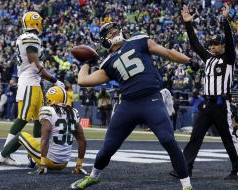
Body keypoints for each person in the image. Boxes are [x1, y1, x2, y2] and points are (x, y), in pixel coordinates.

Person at [70, 22, 198, 190]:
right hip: (128, 105)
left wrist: (188, 61)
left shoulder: (139, 40)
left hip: (151, 99)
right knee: (108, 147)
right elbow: (83, 81)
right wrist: (86, 62)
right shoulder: (108, 62)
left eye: (115, 29)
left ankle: (187, 186)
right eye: (109, 33)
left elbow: (166, 53)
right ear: (104, 41)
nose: (114, 32)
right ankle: (93, 177)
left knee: (168, 140)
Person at [169, 4, 238, 180]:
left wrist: (225, 20)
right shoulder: (208, 58)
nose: (212, 46)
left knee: (228, 139)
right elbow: (195, 44)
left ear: (224, 46)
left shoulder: (229, 58)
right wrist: (188, 24)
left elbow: (230, 42)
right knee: (195, 136)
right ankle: (185, 168)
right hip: (207, 103)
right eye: (211, 43)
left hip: (220, 103)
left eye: (216, 44)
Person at [1, 11, 65, 165]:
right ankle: (4, 154)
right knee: (23, 118)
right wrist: (54, 80)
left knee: (39, 119)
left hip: (34, 84)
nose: (42, 24)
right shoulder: (30, 38)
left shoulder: (29, 38)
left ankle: (34, 154)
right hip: (29, 83)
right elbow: (35, 64)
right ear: (34, 22)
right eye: (40, 21)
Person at [0, 86, 87, 175]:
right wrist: (79, 164)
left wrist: (43, 164)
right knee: (36, 142)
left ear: (53, 98)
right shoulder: (73, 113)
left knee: (21, 135)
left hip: (49, 160)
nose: (46, 100)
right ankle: (32, 159)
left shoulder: (48, 111)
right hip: (64, 163)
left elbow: (45, 138)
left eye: (48, 98)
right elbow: (82, 141)